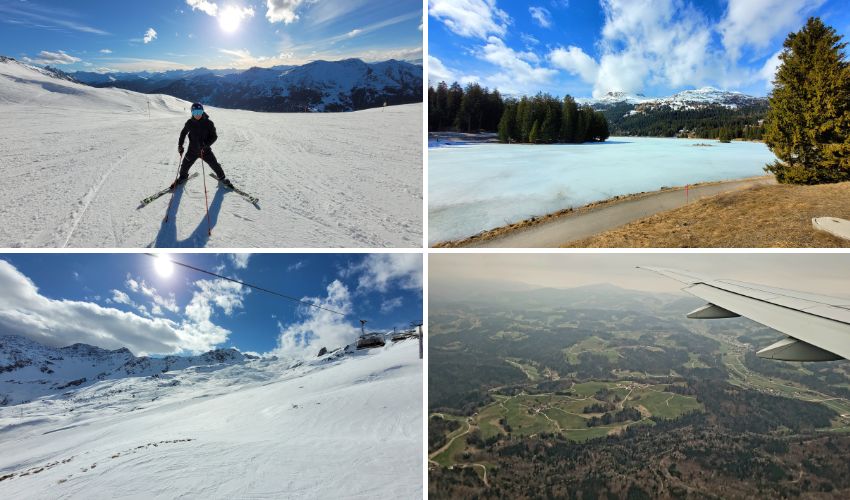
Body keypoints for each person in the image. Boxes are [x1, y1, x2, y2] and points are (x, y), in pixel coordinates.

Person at [172, 103, 233, 189]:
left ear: (202, 112)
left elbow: (214, 136)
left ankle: (222, 177)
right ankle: (183, 177)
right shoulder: (189, 123)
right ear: (192, 113)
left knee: (214, 164)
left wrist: (206, 145)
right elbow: (183, 133)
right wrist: (180, 145)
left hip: (205, 150)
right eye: (195, 112)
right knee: (184, 165)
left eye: (199, 112)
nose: (197, 115)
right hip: (192, 150)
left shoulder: (209, 123)